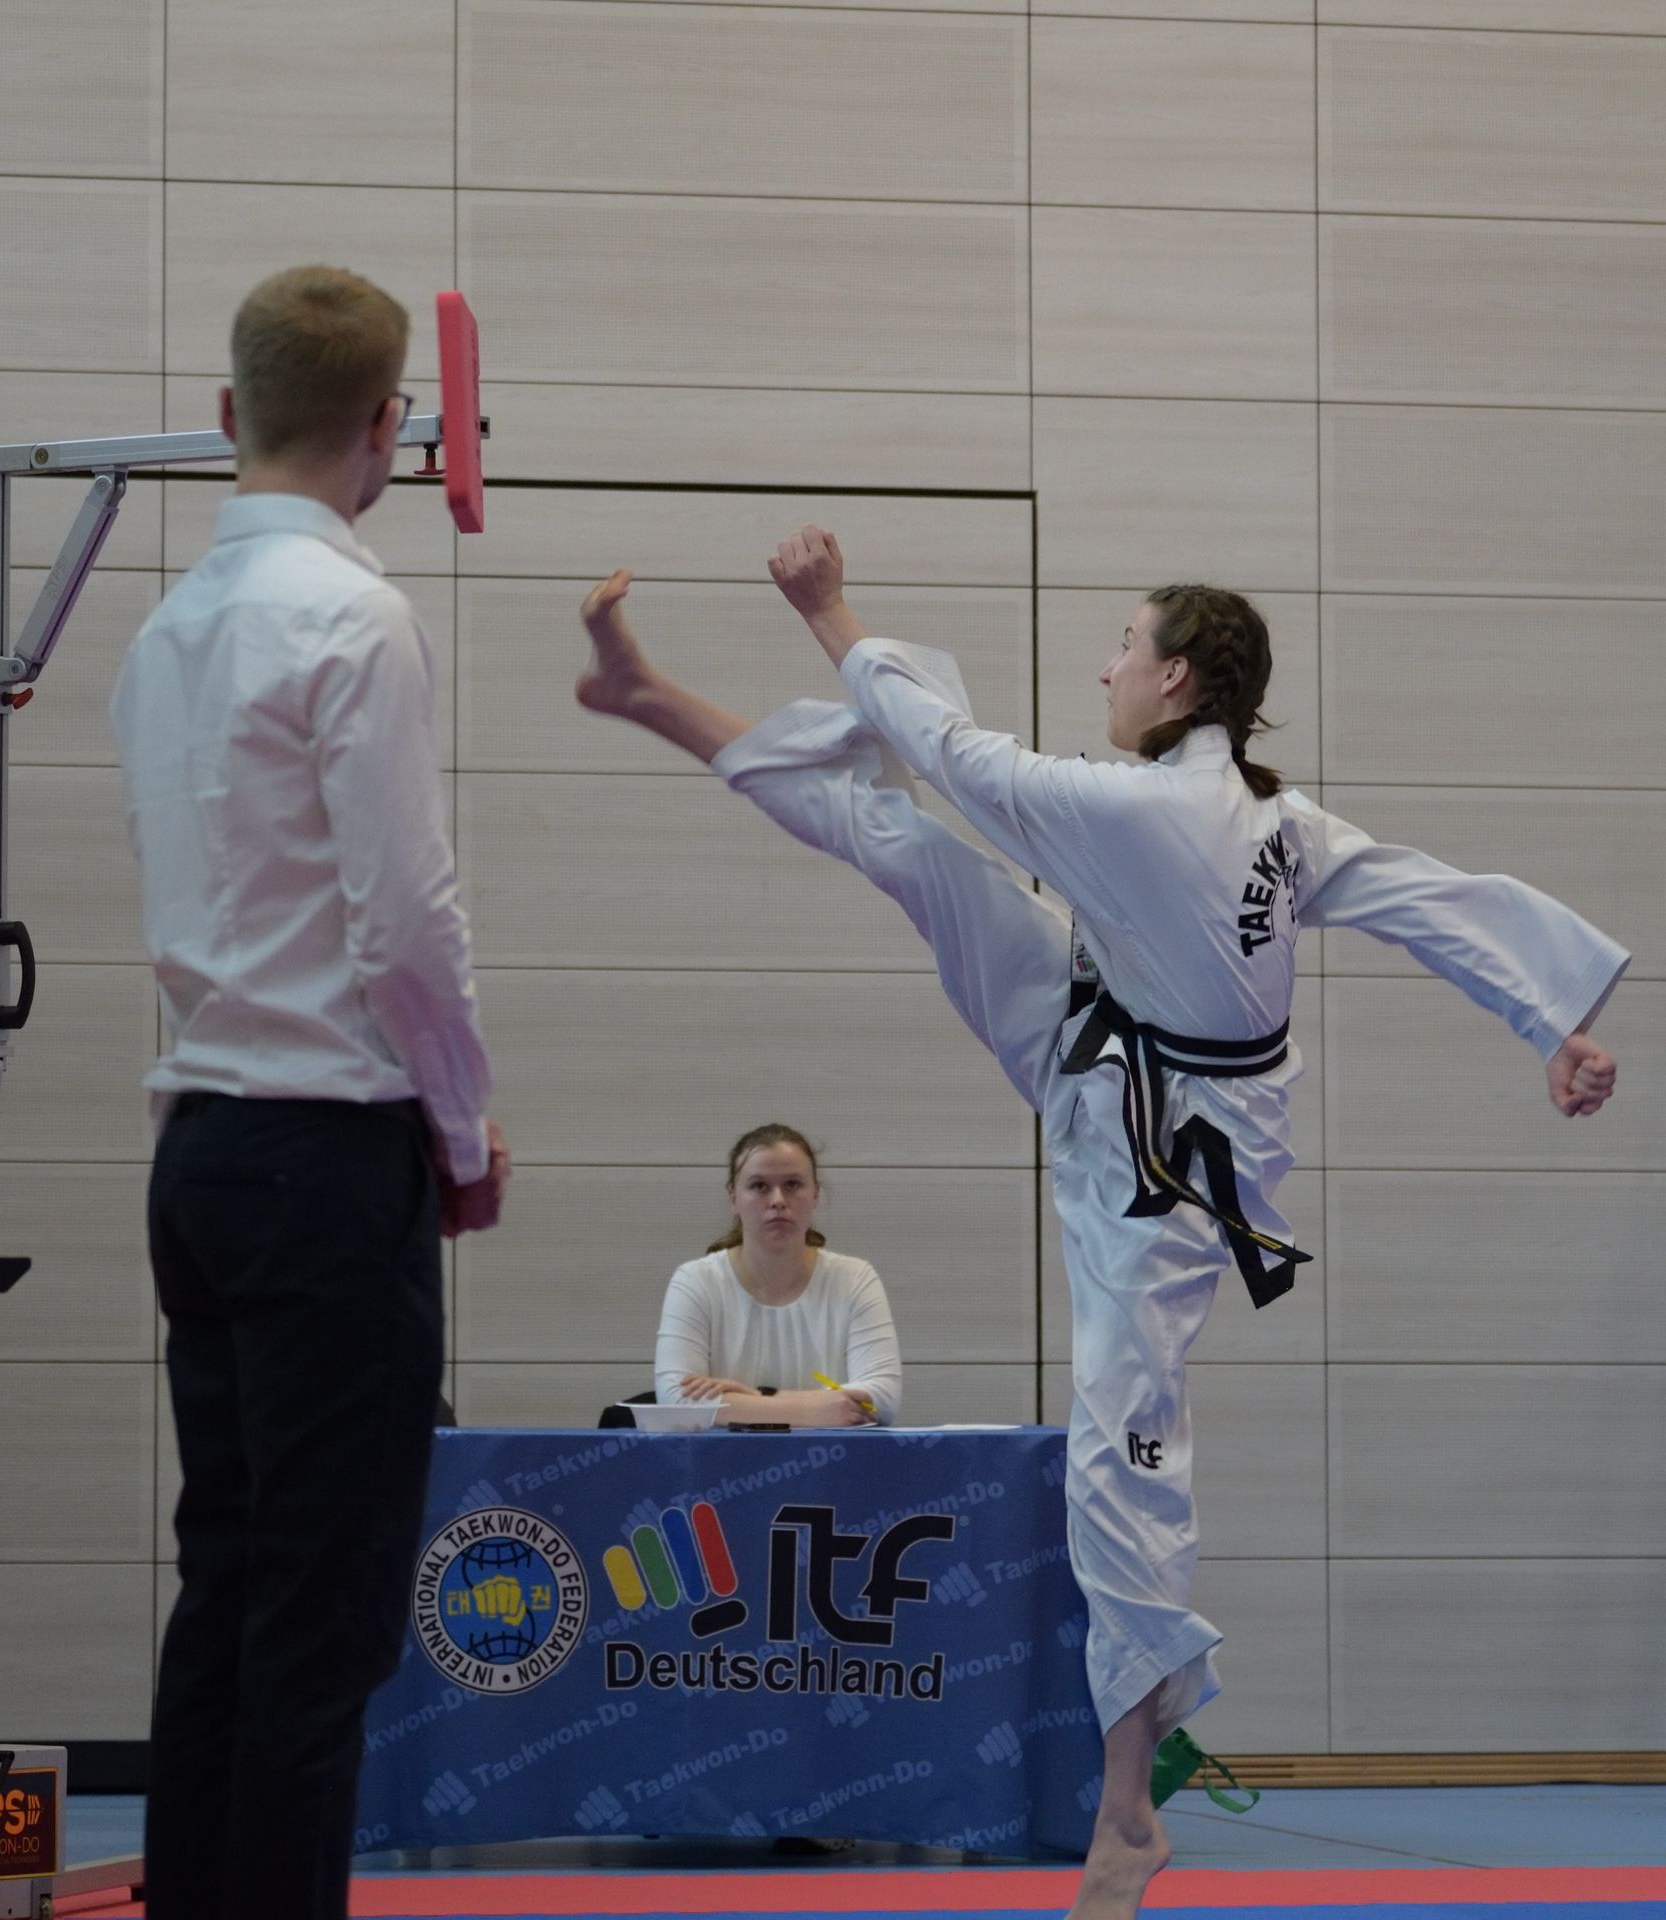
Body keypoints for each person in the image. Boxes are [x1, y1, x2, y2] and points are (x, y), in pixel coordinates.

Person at [574, 531, 1625, 1919]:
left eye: (1124, 647)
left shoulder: (1145, 813)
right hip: (1105, 1031)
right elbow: (1422, 895)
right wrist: (1555, 1019)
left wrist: (829, 610)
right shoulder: (1264, 819)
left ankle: (1127, 1808)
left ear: (1176, 679)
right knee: (904, 843)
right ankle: (649, 699)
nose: (1105, 668)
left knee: (1122, 1457)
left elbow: (950, 749)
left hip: (1163, 1175)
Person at [111, 265, 510, 1920]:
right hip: (323, 1150)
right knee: (321, 1616)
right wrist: (463, 1130)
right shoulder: (355, 620)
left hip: (203, 1145)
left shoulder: (165, 632)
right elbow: (405, 923)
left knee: (230, 1581)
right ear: (394, 430)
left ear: (226, 414)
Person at [654, 1122, 901, 1428]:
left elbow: (882, 1398)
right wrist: (814, 1410)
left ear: (815, 1195)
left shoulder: (855, 1279)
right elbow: (675, 1400)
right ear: (733, 1198)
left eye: (793, 1184)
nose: (778, 1200)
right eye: (759, 1186)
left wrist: (758, 1399)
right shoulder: (695, 1281)